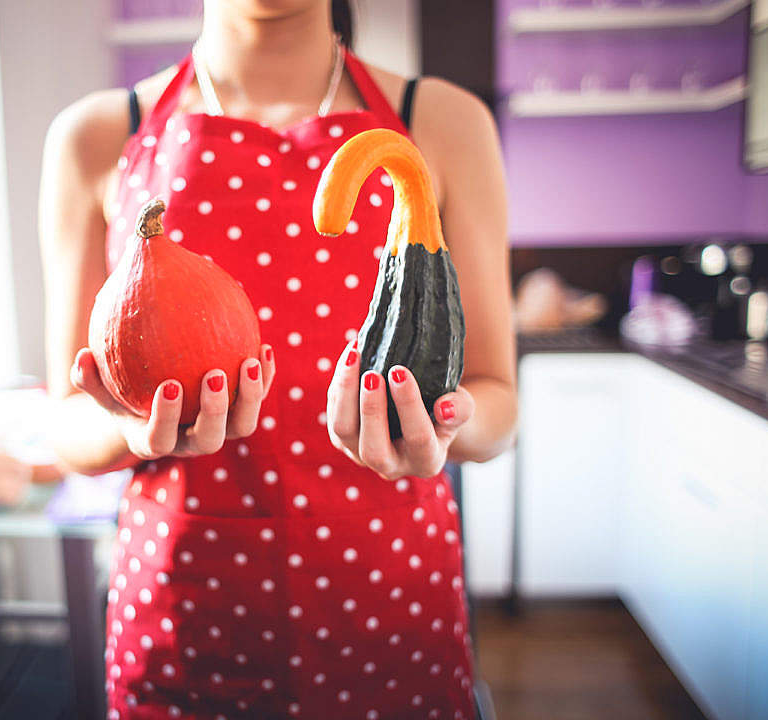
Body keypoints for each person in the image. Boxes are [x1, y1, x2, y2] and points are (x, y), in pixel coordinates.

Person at [39, 1, 516, 717]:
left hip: (391, 605)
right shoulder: (99, 135)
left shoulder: (442, 120)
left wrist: (448, 429)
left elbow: (497, 400)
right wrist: (134, 432)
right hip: (187, 613)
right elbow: (66, 424)